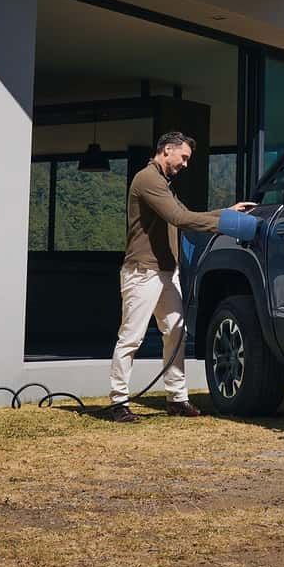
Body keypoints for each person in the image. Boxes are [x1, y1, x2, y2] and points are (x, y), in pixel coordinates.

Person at [104, 132, 255, 423]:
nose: (185, 164)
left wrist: (226, 211)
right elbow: (180, 219)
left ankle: (177, 398)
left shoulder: (163, 184)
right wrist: (226, 224)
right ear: (167, 150)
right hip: (143, 271)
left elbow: (184, 213)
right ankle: (118, 402)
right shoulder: (148, 180)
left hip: (165, 272)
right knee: (131, 338)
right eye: (183, 157)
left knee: (176, 332)